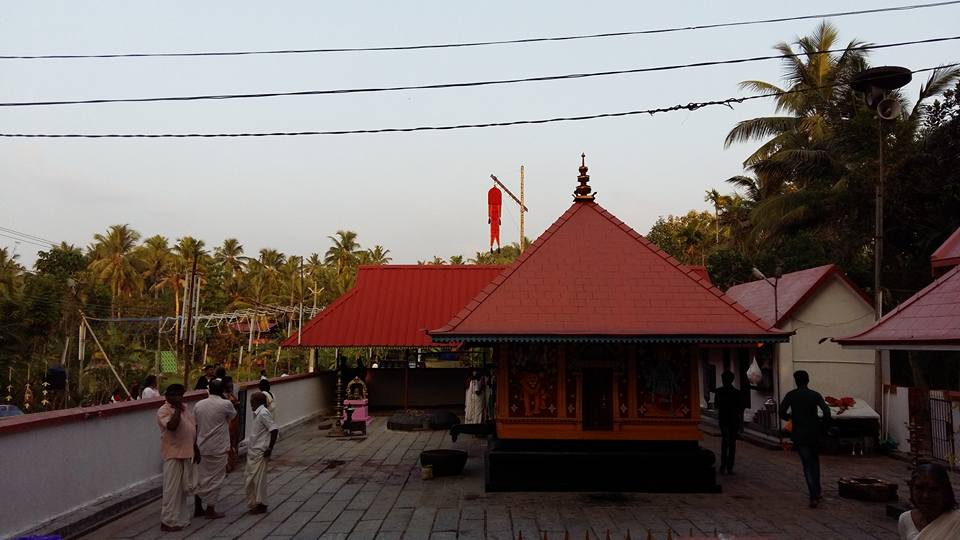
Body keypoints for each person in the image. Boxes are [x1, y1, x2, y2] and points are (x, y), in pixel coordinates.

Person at [779, 370, 831, 508]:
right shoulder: (815, 395)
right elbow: (826, 411)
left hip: (799, 433)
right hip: (814, 432)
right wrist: (823, 426)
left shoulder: (791, 395)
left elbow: (781, 411)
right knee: (815, 461)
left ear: (796, 381)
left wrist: (791, 418)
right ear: (808, 380)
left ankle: (813, 495)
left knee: (807, 463)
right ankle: (817, 490)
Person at [156, 384, 200, 532]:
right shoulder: (164, 410)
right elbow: (172, 426)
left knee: (182, 490)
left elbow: (192, 427)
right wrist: (176, 408)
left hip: (187, 452)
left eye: (180, 395)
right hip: (173, 454)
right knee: (171, 489)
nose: (179, 397)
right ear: (168, 396)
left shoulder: (184, 408)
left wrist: (195, 448)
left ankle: (179, 519)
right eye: (175, 395)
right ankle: (168, 521)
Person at [193, 379, 236, 519]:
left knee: (200, 477)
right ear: (222, 390)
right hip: (218, 446)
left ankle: (198, 508)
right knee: (216, 479)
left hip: (202, 446)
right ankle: (210, 509)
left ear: (209, 390)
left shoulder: (198, 405)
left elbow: (196, 424)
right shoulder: (226, 404)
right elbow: (233, 416)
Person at [899, 463, 960, 539]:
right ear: (912, 489)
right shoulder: (906, 519)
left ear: (945, 491)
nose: (926, 495)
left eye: (933, 489)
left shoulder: (957, 521)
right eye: (919, 488)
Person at [245, 391, 279, 515]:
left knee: (259, 481)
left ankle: (261, 504)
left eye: (251, 402)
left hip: (260, 451)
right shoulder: (258, 414)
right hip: (254, 450)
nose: (250, 405)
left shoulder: (263, 413)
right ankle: (256, 503)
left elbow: (274, 430)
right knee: (251, 480)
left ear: (257, 402)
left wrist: (270, 448)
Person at [714, 371, 744, 475]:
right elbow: (741, 408)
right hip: (734, 419)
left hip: (724, 419)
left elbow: (716, 405)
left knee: (725, 442)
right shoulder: (737, 393)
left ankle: (723, 465)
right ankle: (729, 466)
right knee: (732, 443)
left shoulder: (718, 392)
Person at [222, 376, 240, 473]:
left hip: (235, 421)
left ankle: (233, 462)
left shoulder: (231, 394)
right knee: (228, 442)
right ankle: (227, 464)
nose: (231, 385)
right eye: (229, 383)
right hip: (229, 422)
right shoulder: (223, 396)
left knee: (234, 441)